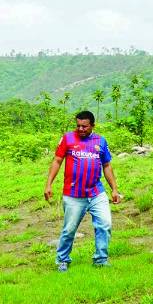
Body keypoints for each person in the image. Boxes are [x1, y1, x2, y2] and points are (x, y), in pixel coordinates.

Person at [43, 111, 122, 271]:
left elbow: (106, 165)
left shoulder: (100, 140)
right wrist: (48, 184)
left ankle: (101, 260)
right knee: (69, 229)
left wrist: (114, 189)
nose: (80, 129)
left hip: (96, 193)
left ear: (93, 125)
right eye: (78, 125)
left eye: (84, 126)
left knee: (104, 225)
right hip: (73, 195)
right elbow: (57, 160)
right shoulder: (68, 138)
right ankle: (62, 260)